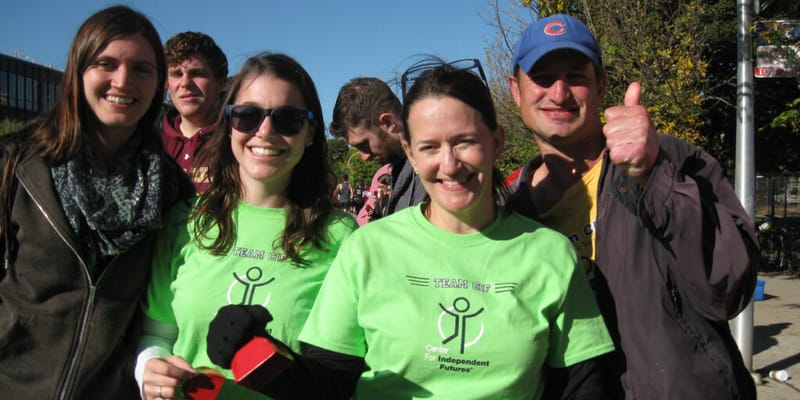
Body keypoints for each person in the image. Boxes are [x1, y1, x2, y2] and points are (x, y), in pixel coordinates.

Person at [205, 57, 616, 399]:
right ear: (410, 154)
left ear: (497, 142)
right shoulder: (368, 248)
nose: (449, 164)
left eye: (465, 141)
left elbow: (583, 385)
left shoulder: (549, 253)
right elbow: (329, 381)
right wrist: (257, 351)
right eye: (429, 147)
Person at [505, 14, 759, 399]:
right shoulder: (508, 206)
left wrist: (654, 176)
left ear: (601, 84)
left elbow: (730, 287)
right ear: (515, 90)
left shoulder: (668, 158)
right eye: (542, 77)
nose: (559, 93)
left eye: (576, 76)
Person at [134, 52, 358, 400]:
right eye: (247, 116)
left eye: (288, 119)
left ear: (311, 132)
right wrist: (150, 367)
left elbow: (337, 375)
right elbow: (157, 334)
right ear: (228, 125)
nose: (264, 131)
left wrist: (268, 357)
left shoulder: (342, 236)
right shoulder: (184, 221)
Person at [0, 6, 193, 399]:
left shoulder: (172, 188)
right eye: (106, 64)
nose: (123, 81)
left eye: (141, 69)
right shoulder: (16, 163)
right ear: (78, 71)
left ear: (158, 85)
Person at [329, 77, 426, 225]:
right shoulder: (400, 171)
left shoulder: (432, 169)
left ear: (389, 122)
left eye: (364, 144)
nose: (364, 157)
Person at [161, 31, 228, 193]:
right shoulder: (150, 144)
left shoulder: (237, 142)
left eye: (196, 73)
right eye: (177, 74)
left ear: (220, 82)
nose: (185, 83)